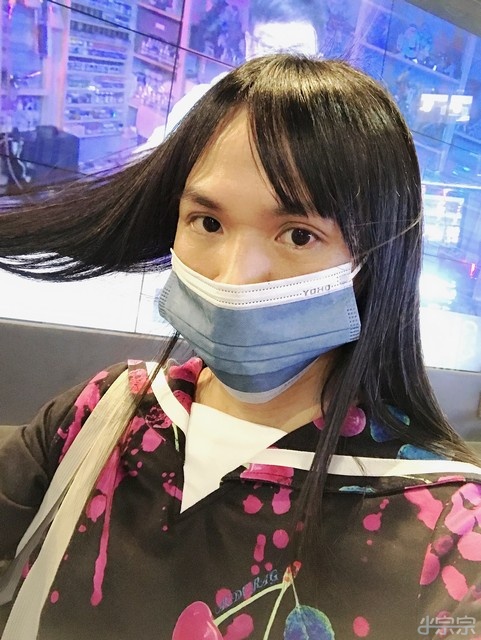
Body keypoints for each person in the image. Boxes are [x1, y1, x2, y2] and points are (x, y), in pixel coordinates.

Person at [1, 54, 481, 640]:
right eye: (207, 222)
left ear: (371, 264)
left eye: (298, 235)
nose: (234, 278)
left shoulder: (449, 531)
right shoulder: (100, 415)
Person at [136, 0, 321, 152]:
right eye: (268, 48)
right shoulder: (209, 101)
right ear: (249, 46)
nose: (280, 66)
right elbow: (149, 158)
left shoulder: (326, 124)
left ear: (319, 58)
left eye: (297, 53)